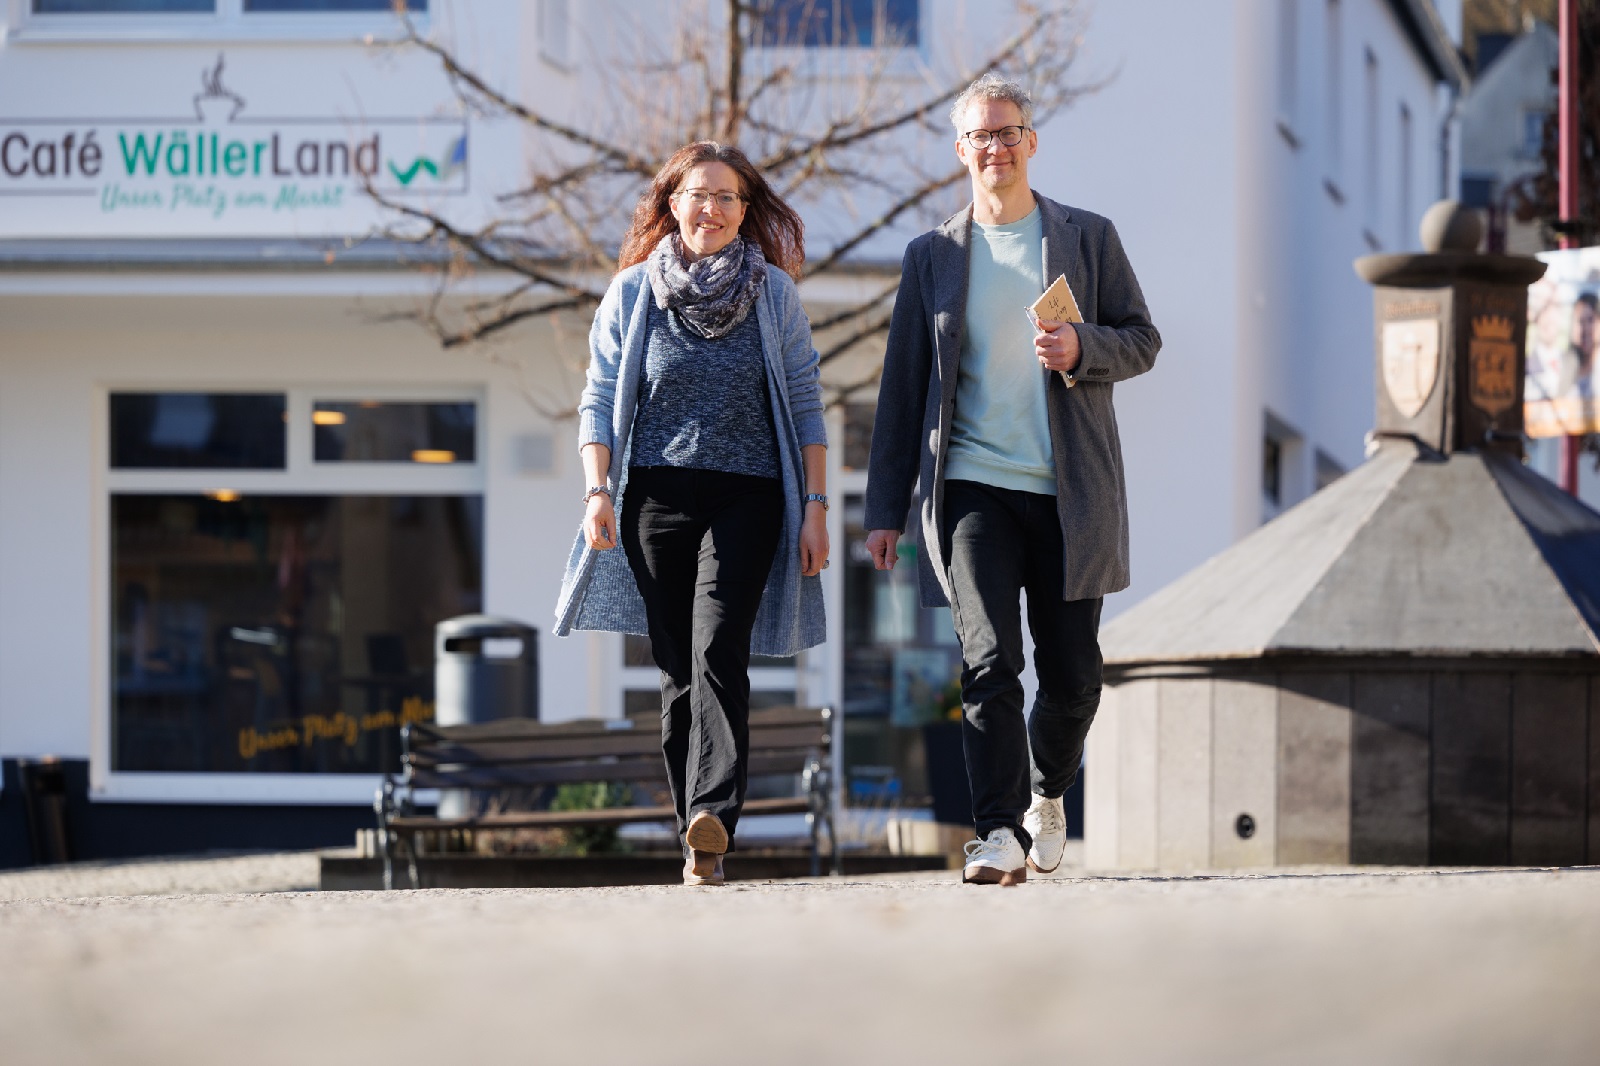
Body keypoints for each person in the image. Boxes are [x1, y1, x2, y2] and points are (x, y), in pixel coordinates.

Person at [864, 74, 1160, 886]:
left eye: (1008, 132)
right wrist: (885, 509)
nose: (995, 147)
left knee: (1072, 679)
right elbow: (903, 389)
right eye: (980, 136)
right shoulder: (932, 257)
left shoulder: (1086, 238)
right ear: (961, 152)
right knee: (989, 663)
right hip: (972, 490)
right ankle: (995, 832)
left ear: (1032, 141)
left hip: (1070, 495)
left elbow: (1143, 340)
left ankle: (1047, 793)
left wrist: (1082, 350)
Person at [553, 142, 829, 886]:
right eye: (697, 194)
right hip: (658, 498)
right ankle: (693, 832)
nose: (711, 208)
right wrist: (596, 492)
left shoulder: (773, 294)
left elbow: (806, 401)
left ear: (746, 210)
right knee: (676, 666)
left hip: (749, 496)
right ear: (671, 203)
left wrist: (815, 507)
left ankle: (714, 817)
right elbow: (599, 394)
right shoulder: (634, 291)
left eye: (727, 197)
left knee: (718, 648)